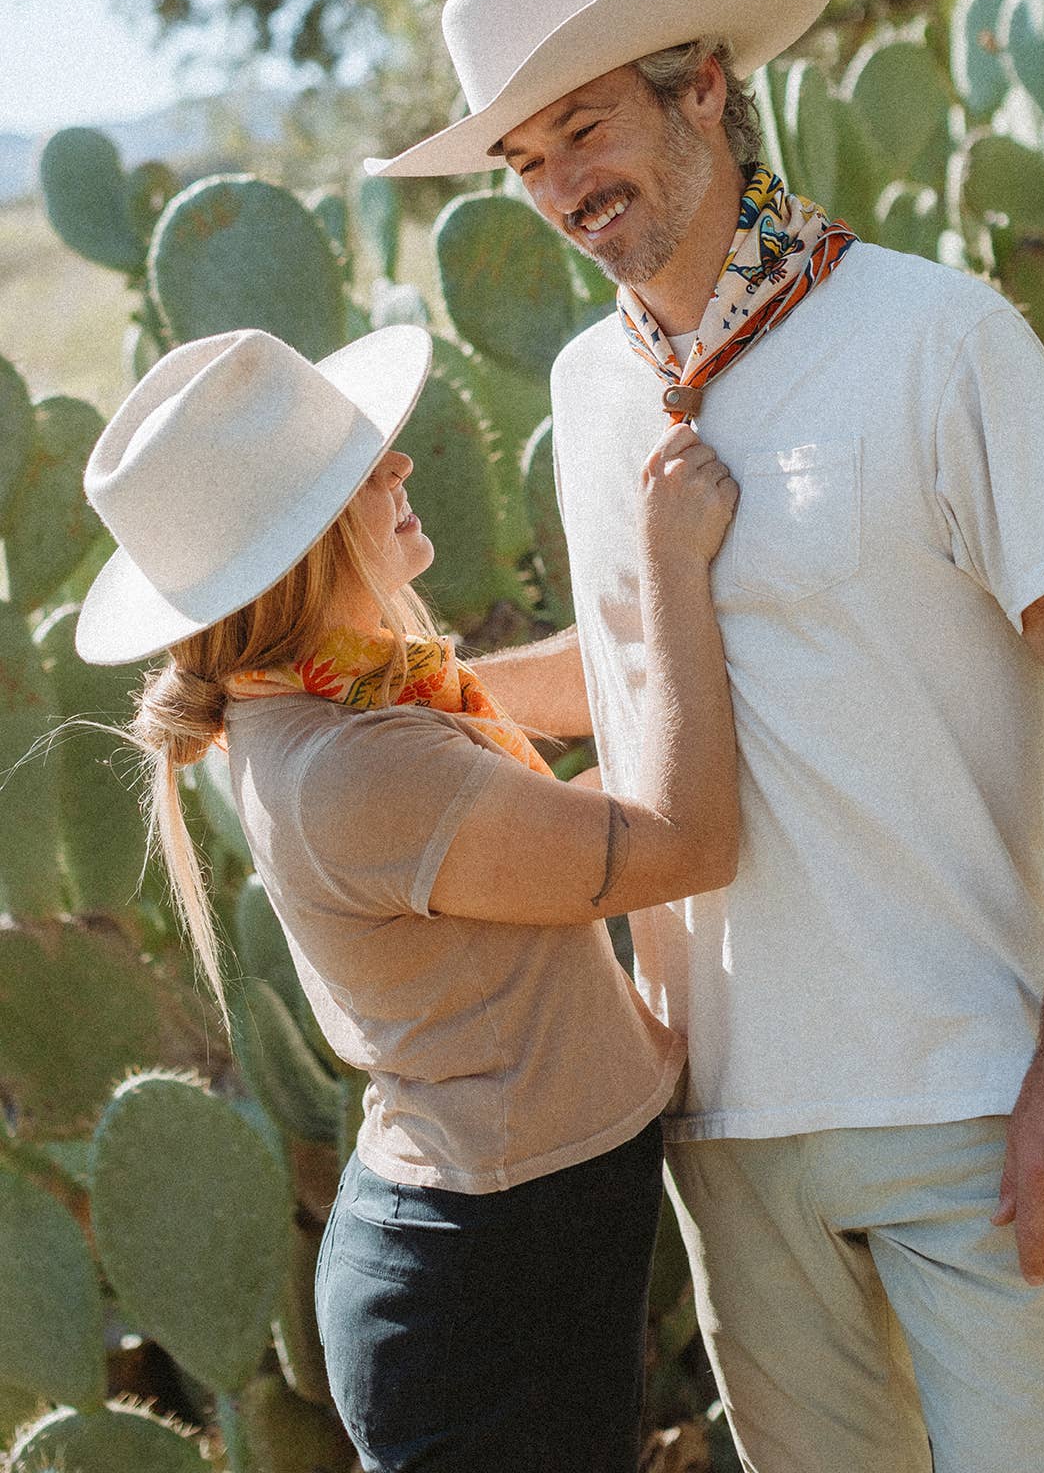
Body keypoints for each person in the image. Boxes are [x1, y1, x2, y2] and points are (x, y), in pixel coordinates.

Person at [365, 0, 1044, 1473]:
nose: (559, 187)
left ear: (703, 85)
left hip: (972, 1100)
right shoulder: (583, 389)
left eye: (586, 127)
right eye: (524, 157)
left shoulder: (938, 341)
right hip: (723, 1130)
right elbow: (631, 681)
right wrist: (347, 714)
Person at [74, 322, 741, 1473]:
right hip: (487, 1289)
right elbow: (683, 844)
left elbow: (568, 696)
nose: (400, 467)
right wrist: (670, 566)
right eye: (357, 470)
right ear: (295, 549)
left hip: (499, 1252)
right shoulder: (357, 766)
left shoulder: (332, 694)